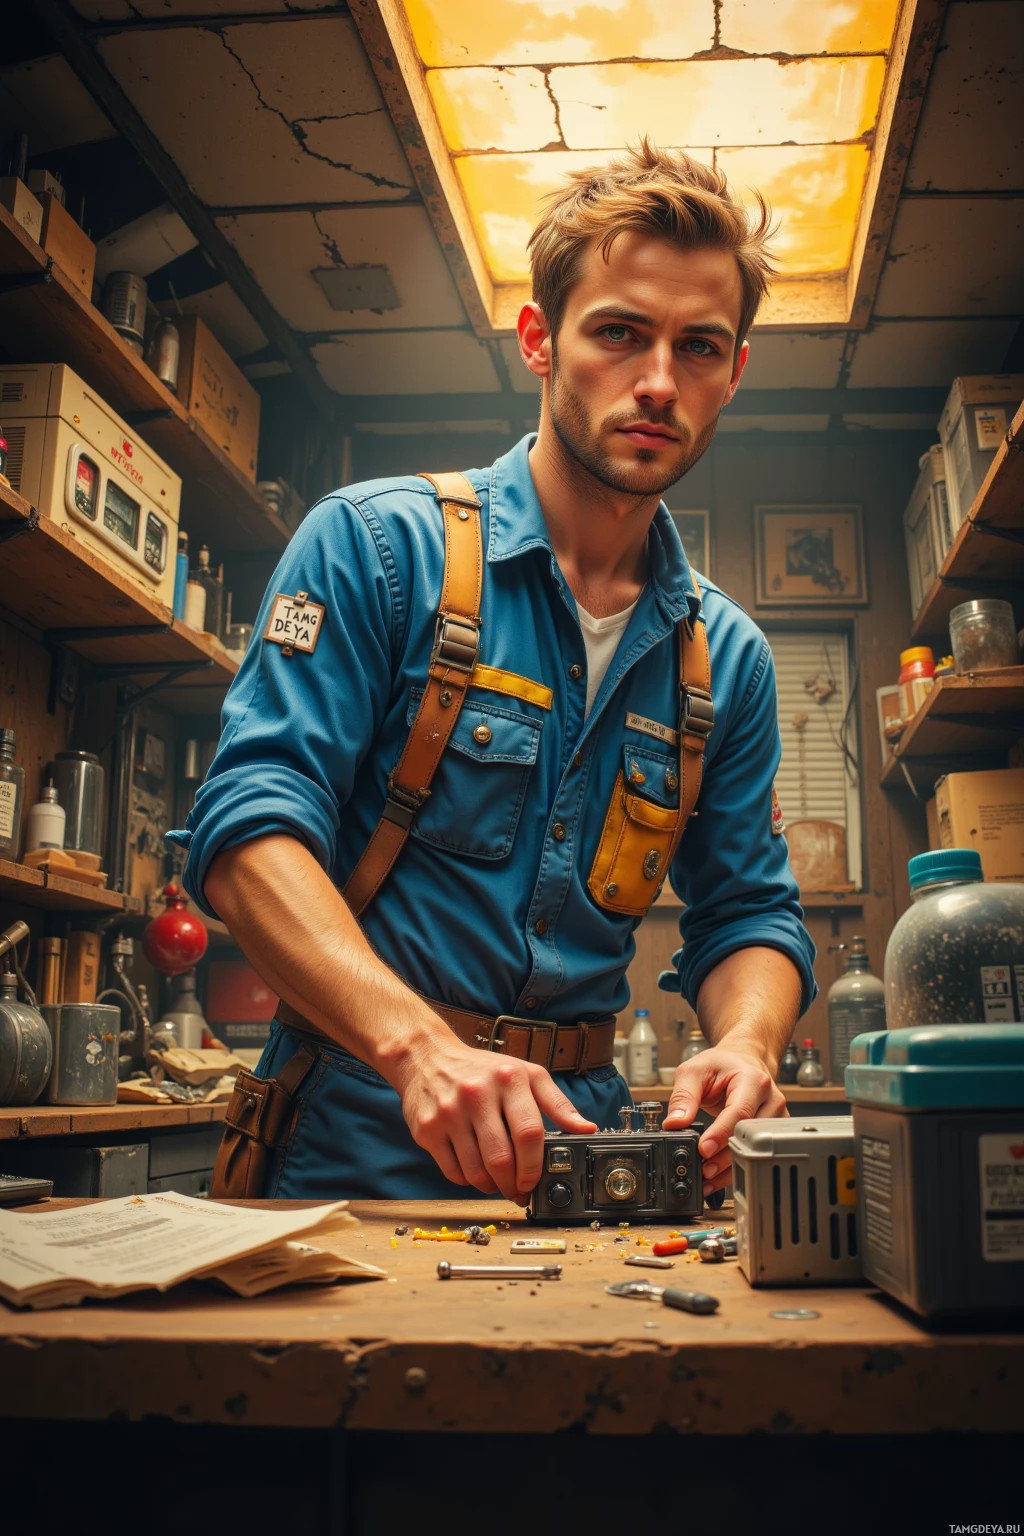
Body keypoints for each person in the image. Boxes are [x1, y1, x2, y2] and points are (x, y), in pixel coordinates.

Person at [172, 142, 816, 1204]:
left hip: (586, 1164)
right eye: (618, 332)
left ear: (733, 372)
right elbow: (247, 836)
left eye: (699, 347)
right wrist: (419, 1051)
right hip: (353, 1145)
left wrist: (747, 1044)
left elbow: (748, 910)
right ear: (539, 340)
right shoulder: (377, 551)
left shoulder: (726, 660)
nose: (659, 381)